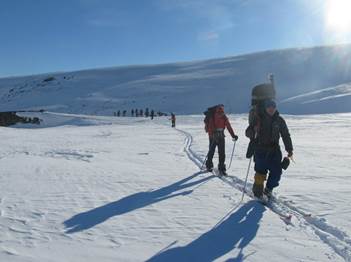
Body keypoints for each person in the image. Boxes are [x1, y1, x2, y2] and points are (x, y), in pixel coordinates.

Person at [246, 100, 293, 198]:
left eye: (273, 107)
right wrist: (252, 131)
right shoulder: (258, 119)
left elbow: (285, 135)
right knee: (260, 173)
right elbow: (248, 132)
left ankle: (268, 190)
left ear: (275, 108)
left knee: (277, 173)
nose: (271, 109)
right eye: (269, 107)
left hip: (274, 151)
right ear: (265, 108)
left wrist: (289, 149)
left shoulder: (279, 120)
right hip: (260, 150)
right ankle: (257, 193)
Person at [204, 104, 238, 175]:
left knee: (213, 151)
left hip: (217, 136)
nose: (221, 113)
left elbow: (228, 126)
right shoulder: (216, 116)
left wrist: (233, 135)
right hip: (216, 136)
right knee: (219, 152)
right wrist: (233, 135)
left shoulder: (222, 116)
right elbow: (228, 126)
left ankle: (210, 166)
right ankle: (220, 168)